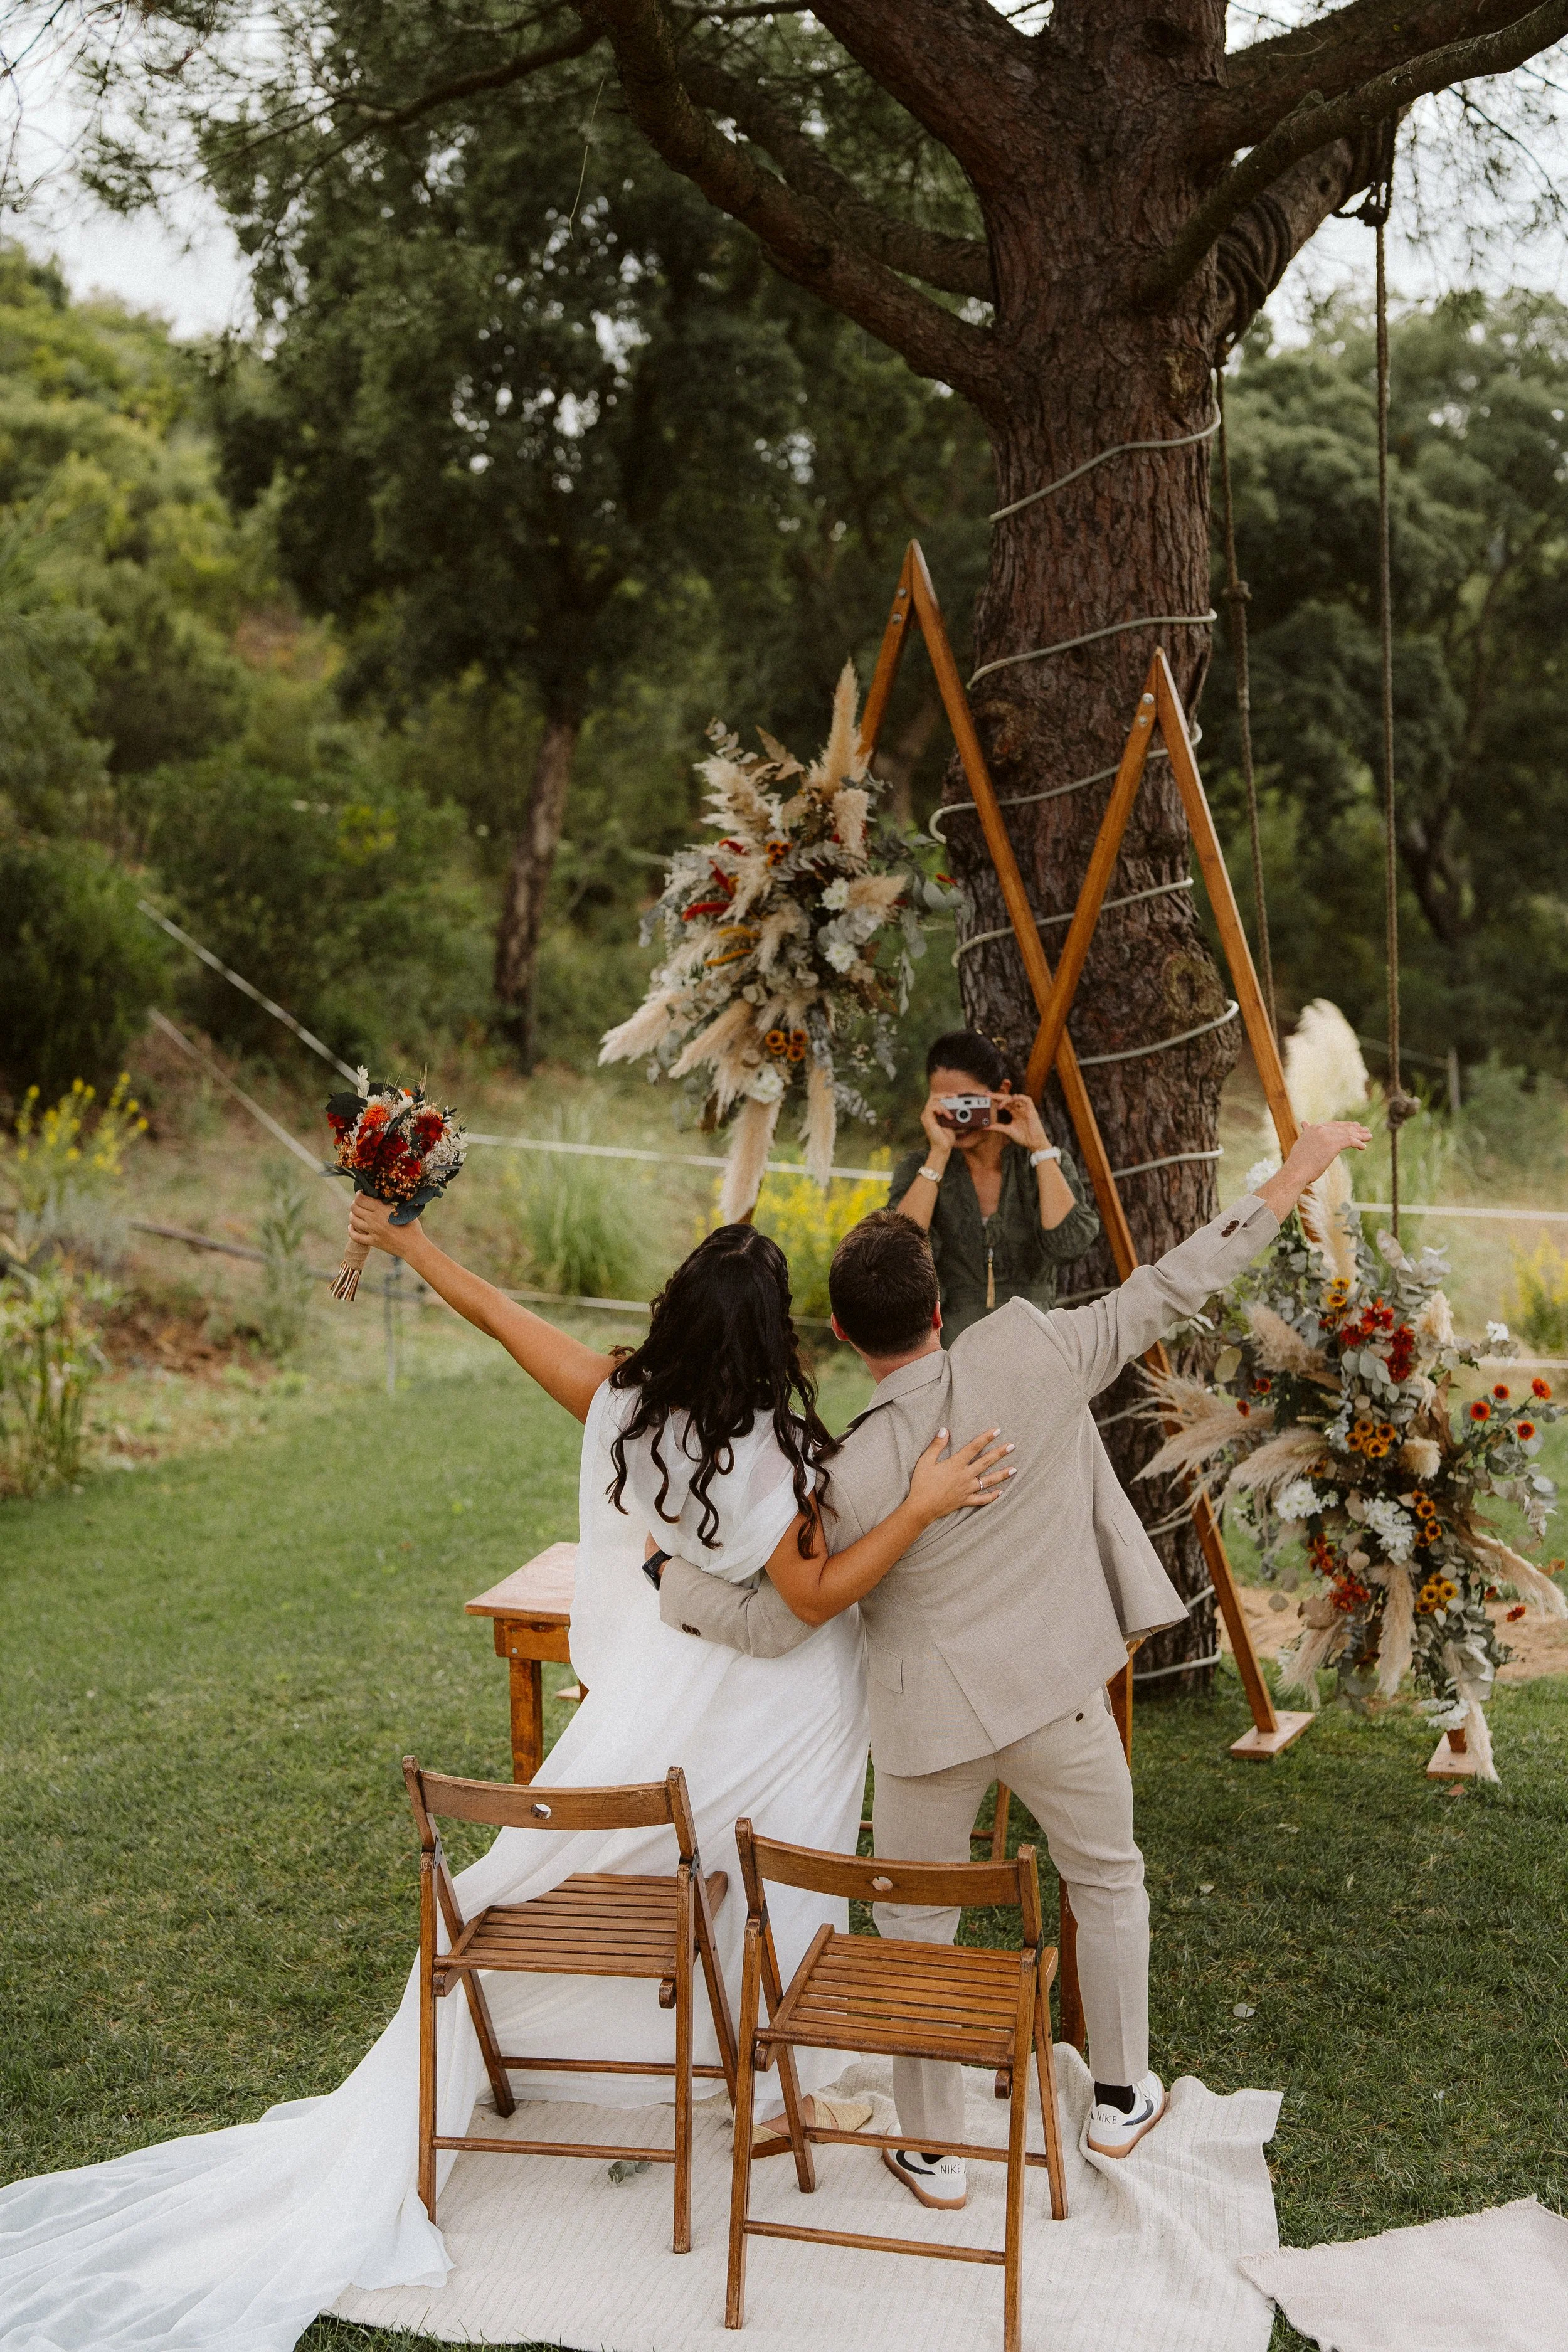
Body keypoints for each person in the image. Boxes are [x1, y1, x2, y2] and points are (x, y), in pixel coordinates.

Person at [0, 1214, 1009, 2350]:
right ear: (776, 1340)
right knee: (775, 1876)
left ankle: (760, 2076)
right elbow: (815, 1597)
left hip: (676, 1696)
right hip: (778, 1706)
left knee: (683, 1862)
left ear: (677, 1317)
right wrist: (922, 1507)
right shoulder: (773, 1457)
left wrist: (409, 1240)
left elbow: (497, 1312)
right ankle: (771, 2081)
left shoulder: (627, 1406)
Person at [655, 1120, 1370, 2212]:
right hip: (1058, 1699)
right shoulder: (1034, 1345)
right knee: (1109, 1877)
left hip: (926, 1735)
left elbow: (776, 1622)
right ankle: (1125, 2100)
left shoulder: (842, 1479)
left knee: (913, 1926)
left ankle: (934, 2153)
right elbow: (1173, 1285)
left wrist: (670, 1577)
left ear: (846, 1334)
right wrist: (1295, 1171)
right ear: (940, 1305)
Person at [889, 1029, 1101, 1343]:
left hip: (1034, 1343)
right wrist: (938, 1154)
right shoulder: (918, 1169)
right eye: (946, 1105)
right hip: (952, 1348)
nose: (958, 1117)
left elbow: (1068, 1246)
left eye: (967, 1103)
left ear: (1001, 1091)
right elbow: (899, 1254)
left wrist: (1039, 1146)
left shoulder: (1040, 1164)